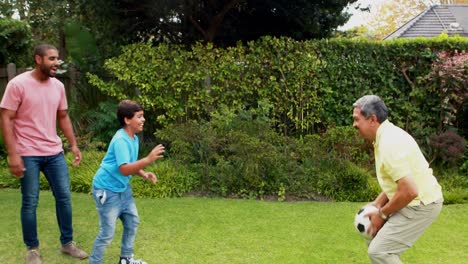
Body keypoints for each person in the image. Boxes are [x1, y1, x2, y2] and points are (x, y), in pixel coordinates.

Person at [0, 44, 88, 263]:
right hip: (28, 152)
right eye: (51, 59)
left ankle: (67, 243)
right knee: (30, 201)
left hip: (54, 152)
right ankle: (32, 249)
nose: (56, 63)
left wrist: (74, 144)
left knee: (65, 197)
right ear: (38, 59)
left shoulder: (57, 86)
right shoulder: (18, 84)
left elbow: (63, 116)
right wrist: (13, 154)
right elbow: (6, 118)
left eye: (57, 58)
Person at [352, 95, 443, 264]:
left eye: (357, 119)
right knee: (374, 240)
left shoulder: (389, 144)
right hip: (415, 200)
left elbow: (409, 191)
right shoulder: (385, 136)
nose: (354, 125)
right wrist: (377, 203)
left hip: (422, 205)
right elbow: (397, 182)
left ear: (372, 119)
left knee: (380, 252)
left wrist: (382, 214)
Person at [89, 99, 165, 264]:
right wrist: (148, 159)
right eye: (139, 116)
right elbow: (124, 169)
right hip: (107, 190)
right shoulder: (120, 140)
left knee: (132, 222)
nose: (143, 120)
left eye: (143, 116)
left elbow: (130, 163)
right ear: (127, 119)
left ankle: (126, 259)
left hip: (123, 189)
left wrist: (143, 174)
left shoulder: (133, 138)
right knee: (107, 233)